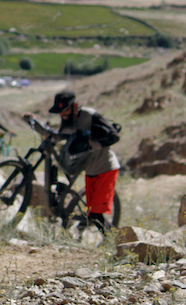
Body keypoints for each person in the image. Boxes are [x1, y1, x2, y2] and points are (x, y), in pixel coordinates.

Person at [23, 89, 120, 231]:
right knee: (92, 212)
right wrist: (35, 123)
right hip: (91, 169)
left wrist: (91, 143)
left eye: (64, 110)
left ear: (74, 106)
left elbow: (114, 136)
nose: (62, 115)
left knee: (95, 214)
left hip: (105, 168)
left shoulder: (90, 115)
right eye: (59, 112)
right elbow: (58, 136)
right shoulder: (68, 120)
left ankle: (112, 240)